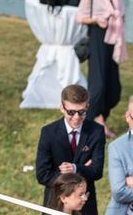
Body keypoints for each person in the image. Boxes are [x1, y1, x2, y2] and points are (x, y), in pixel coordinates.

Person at [77, 0, 128, 138]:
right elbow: (80, 17)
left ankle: (100, 118)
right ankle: (92, 123)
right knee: (98, 86)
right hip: (97, 37)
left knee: (114, 88)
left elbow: (122, 15)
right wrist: (96, 20)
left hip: (114, 40)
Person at [36, 84, 105, 215]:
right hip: (56, 202)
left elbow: (97, 171)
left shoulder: (96, 132)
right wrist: (82, 170)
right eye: (71, 112)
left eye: (82, 112)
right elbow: (42, 174)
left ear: (87, 106)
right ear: (62, 108)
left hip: (85, 205)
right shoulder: (48, 133)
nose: (77, 117)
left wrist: (75, 168)